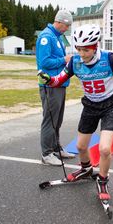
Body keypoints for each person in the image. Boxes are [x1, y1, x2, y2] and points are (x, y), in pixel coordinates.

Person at [38, 24, 113, 200]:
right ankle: (86, 169)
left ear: (95, 47)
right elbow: (58, 80)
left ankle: (102, 180)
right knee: (80, 147)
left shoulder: (108, 58)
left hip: (109, 105)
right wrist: (48, 80)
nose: (82, 54)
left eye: (86, 50)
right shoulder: (75, 62)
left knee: (105, 149)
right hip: (90, 106)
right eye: (79, 49)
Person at [36, 9, 76, 166]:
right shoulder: (47, 37)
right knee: (50, 119)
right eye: (66, 26)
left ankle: (55, 148)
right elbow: (44, 62)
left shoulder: (57, 37)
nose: (67, 29)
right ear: (59, 22)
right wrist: (64, 59)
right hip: (50, 85)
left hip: (59, 84)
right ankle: (47, 153)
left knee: (57, 120)